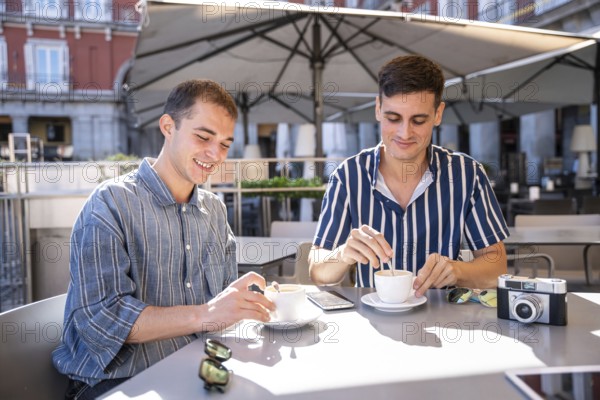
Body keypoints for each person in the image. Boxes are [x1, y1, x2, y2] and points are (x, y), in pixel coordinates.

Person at [52, 79, 274, 399]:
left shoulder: (214, 210)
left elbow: (219, 315)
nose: (215, 154)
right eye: (203, 136)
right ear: (168, 127)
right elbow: (102, 321)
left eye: (225, 143)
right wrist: (207, 313)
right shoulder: (109, 204)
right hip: (116, 385)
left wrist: (243, 308)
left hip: (195, 373)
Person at [309, 55, 508, 294]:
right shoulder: (348, 176)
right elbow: (318, 272)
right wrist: (342, 254)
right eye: (393, 118)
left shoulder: (467, 175)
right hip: (373, 322)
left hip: (445, 320)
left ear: (438, 114)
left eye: (419, 120)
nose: (405, 133)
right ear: (378, 109)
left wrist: (457, 271)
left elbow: (496, 266)